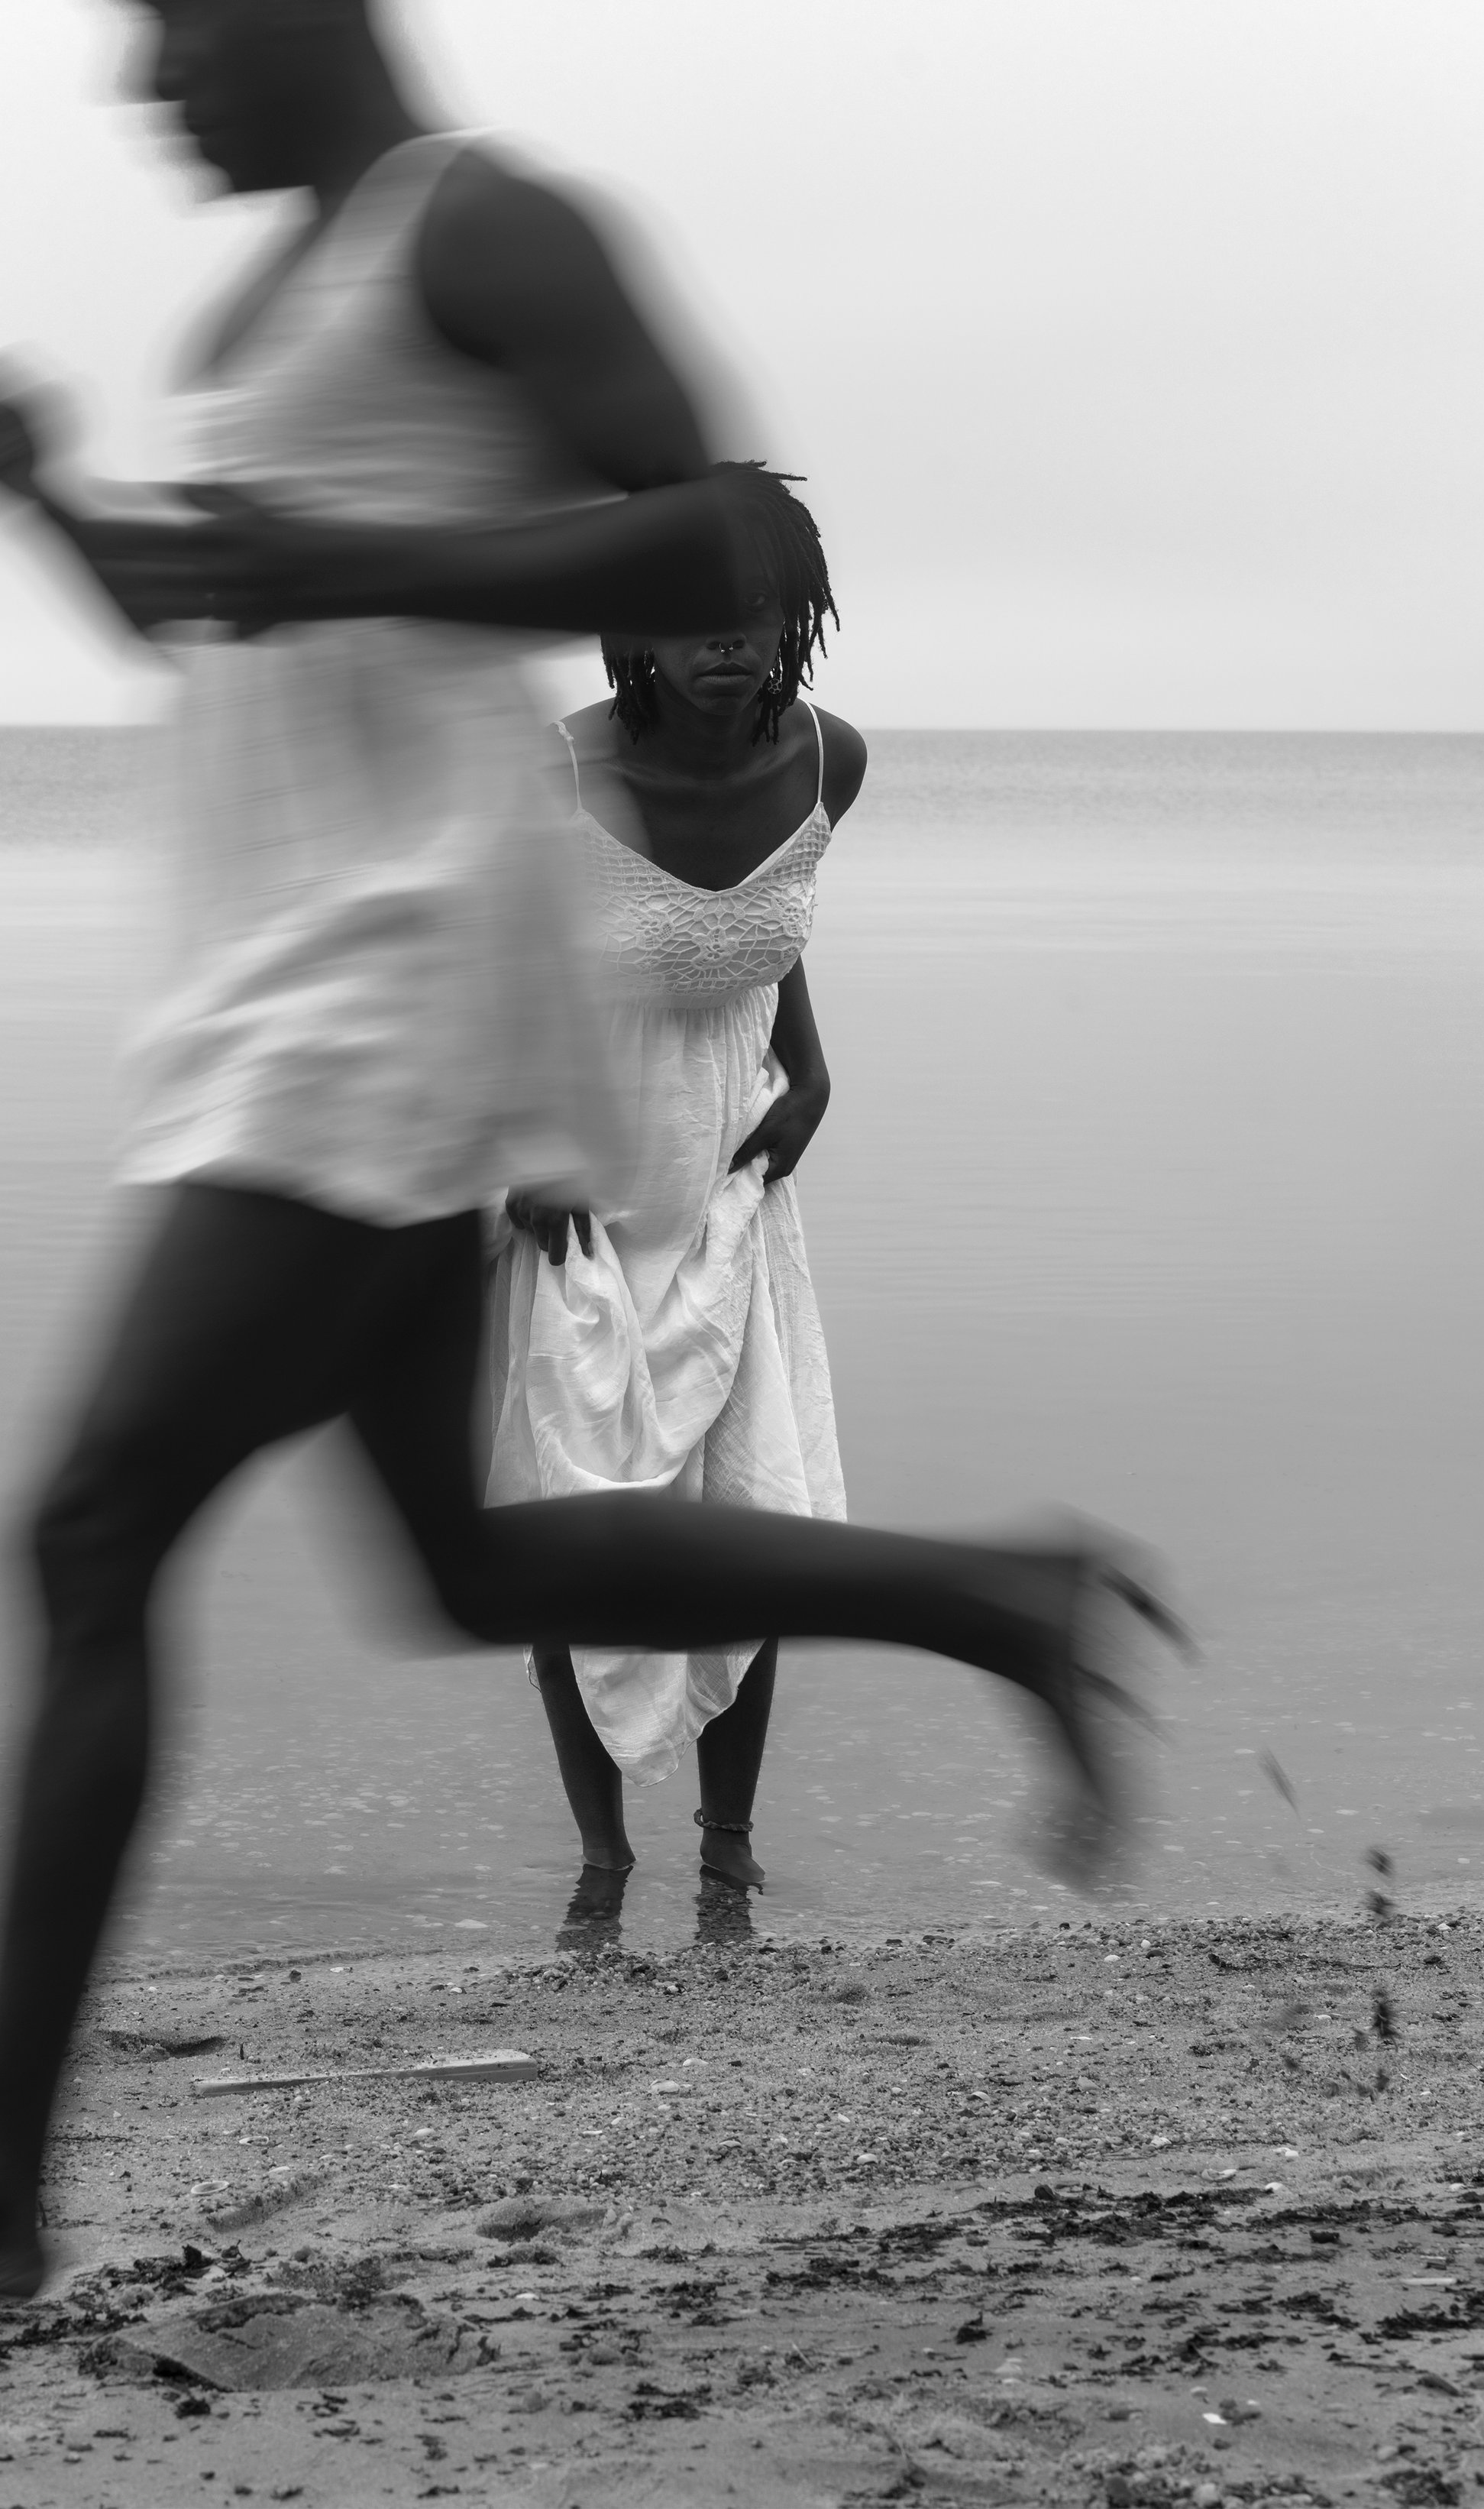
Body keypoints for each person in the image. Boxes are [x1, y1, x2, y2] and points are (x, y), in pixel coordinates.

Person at [0, 0, 1182, 2303]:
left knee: (92, 1524)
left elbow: (730, 537)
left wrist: (347, 554)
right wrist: (59, 506)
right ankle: (996, 1588)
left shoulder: (488, 227)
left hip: (395, 982)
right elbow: (251, 622)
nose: (141, 66)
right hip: (292, 976)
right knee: (468, 1558)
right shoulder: (288, 294)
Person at [487, 468, 860, 1911]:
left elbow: (777, 923)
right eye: (691, 622)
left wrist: (814, 1075)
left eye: (754, 622)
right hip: (578, 1173)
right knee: (571, 1511)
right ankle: (599, 1858)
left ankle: (729, 1847)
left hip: (736, 1168)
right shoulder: (561, 773)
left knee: (745, 1517)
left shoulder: (833, 761)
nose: (727, 650)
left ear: (794, 625)